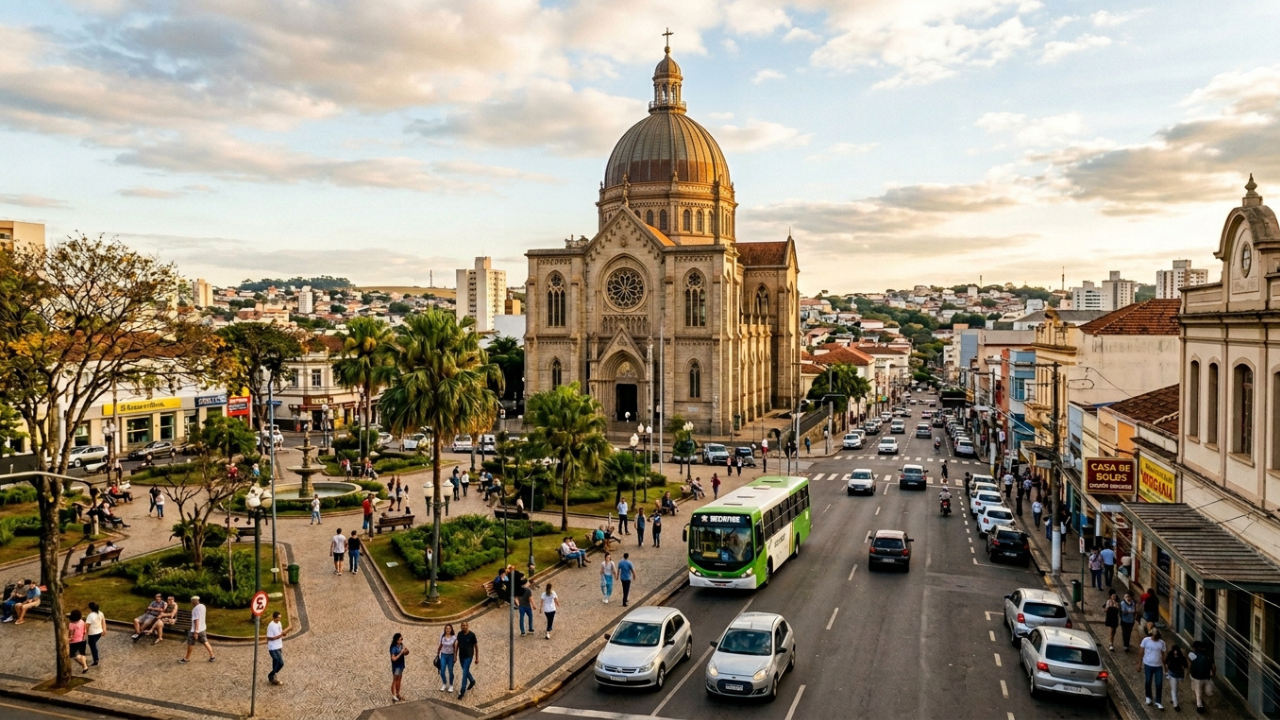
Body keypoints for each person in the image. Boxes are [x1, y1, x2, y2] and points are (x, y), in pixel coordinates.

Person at [180, 595, 215, 663]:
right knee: (205, 642)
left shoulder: (195, 609)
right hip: (202, 628)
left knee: (190, 643)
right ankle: (212, 656)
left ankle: (186, 658)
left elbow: (197, 620)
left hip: (195, 630)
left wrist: (196, 632)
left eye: (192, 601)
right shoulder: (203, 606)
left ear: (194, 601)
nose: (191, 602)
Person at [1140, 627, 1168, 710]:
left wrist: (1165, 667)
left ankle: (1158, 701)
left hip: (1158, 666)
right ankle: (1148, 697)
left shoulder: (1162, 643)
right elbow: (1141, 652)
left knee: (1159, 684)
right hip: (1148, 664)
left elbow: (1163, 655)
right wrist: (1139, 663)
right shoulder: (1146, 640)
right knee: (1148, 681)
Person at [1189, 639, 1216, 713]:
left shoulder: (1192, 654)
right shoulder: (1208, 655)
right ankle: (1206, 700)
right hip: (1207, 677)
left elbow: (1190, 665)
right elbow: (1213, 667)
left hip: (1196, 677)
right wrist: (1213, 674)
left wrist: (1190, 674)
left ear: (1194, 648)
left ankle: (1200, 706)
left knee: (1198, 693)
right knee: (1208, 692)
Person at [456, 621, 478, 700]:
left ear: (467, 626)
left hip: (469, 656)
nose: (464, 627)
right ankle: (472, 680)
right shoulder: (459, 634)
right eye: (462, 625)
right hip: (461, 656)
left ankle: (462, 691)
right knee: (465, 670)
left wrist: (476, 658)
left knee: (464, 672)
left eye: (465, 625)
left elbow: (476, 646)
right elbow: (457, 645)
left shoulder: (472, 635)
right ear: (461, 627)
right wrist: (455, 655)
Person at [1166, 644, 1188, 711]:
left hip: (1173, 673)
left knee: (1174, 689)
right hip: (1179, 674)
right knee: (1175, 688)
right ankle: (1175, 703)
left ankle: (1174, 702)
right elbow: (1185, 666)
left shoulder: (1171, 655)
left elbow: (1166, 662)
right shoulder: (1182, 657)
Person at [266, 611, 286, 685]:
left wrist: (284, 633)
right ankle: (272, 676)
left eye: (280, 618)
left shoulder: (279, 623)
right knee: (278, 661)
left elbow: (280, 632)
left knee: (279, 663)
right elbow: (269, 637)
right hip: (272, 647)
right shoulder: (271, 626)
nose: (279, 619)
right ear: (274, 617)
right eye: (278, 618)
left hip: (278, 646)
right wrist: (280, 635)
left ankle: (272, 675)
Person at [436, 623, 457, 692]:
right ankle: (444, 683)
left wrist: (455, 656)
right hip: (443, 655)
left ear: (451, 629)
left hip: (451, 655)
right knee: (442, 670)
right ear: (445, 629)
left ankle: (451, 685)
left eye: (449, 628)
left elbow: (455, 647)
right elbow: (440, 645)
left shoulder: (454, 637)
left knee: (450, 671)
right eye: (447, 628)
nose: (448, 630)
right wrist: (438, 653)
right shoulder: (442, 636)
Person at [69, 609, 90, 674]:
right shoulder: (82, 621)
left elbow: (71, 634)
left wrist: (68, 639)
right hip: (82, 640)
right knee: (82, 653)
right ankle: (85, 666)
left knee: (76, 656)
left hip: (74, 642)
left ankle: (84, 666)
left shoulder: (71, 624)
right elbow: (85, 630)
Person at [389, 632, 408, 703]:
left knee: (399, 680)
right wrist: (401, 653)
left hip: (401, 665)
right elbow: (393, 659)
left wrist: (406, 651)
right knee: (395, 680)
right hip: (396, 666)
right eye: (400, 639)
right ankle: (394, 694)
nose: (401, 640)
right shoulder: (393, 648)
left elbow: (406, 653)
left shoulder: (401, 645)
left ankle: (398, 693)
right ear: (397, 640)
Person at [85, 601, 105, 667]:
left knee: (93, 646)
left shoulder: (90, 616)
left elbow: (87, 625)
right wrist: (104, 629)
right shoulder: (101, 613)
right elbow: (103, 622)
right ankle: (95, 658)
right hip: (99, 632)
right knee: (93, 644)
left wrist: (85, 632)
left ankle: (96, 660)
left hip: (92, 633)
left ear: (90, 608)